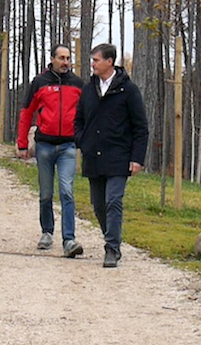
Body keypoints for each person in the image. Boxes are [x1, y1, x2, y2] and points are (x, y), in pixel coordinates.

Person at [74, 43, 148, 268]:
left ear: (109, 61)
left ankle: (112, 248)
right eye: (92, 60)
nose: (92, 64)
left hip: (119, 156)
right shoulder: (89, 89)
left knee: (113, 201)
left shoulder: (128, 90)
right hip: (93, 157)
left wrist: (137, 158)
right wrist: (82, 141)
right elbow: (79, 120)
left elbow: (140, 127)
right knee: (98, 205)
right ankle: (112, 236)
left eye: (96, 60)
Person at [16, 43, 85, 258]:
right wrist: (22, 144)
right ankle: (47, 231)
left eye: (68, 58)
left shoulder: (78, 84)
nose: (66, 62)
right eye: (61, 58)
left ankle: (69, 239)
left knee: (66, 191)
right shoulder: (40, 82)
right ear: (52, 59)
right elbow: (27, 112)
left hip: (68, 146)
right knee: (46, 193)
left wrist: (83, 139)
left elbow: (86, 114)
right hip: (44, 145)